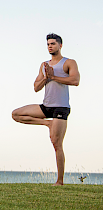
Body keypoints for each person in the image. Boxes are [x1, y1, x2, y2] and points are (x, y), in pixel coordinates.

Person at [12, 33, 80, 186]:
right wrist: (45, 76)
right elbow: (36, 87)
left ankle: (60, 181)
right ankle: (47, 124)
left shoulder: (69, 62)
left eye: (53, 44)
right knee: (16, 114)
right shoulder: (44, 65)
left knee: (56, 143)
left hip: (60, 107)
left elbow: (75, 81)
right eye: (48, 44)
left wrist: (54, 76)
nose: (50, 46)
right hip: (46, 107)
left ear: (60, 45)